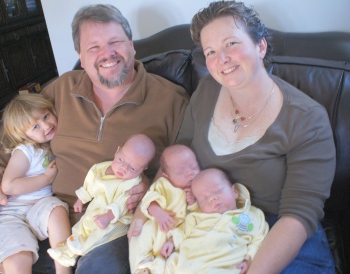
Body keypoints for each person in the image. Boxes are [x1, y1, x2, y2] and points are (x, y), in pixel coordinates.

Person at [0, 4, 189, 274]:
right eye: (94, 47)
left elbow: (187, 167)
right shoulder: (62, 88)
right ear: (80, 54)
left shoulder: (171, 100)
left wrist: (150, 187)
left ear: (131, 45)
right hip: (47, 216)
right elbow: (14, 137)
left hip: (112, 226)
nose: (107, 54)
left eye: (115, 42)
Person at [129, 1, 336, 273]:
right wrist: (143, 213)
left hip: (277, 235)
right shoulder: (206, 91)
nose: (221, 59)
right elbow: (177, 158)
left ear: (260, 46)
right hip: (205, 225)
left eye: (231, 44)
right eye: (211, 51)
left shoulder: (307, 119)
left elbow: (297, 217)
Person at [0, 94, 71, 274]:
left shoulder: (53, 144)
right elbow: (8, 186)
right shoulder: (26, 151)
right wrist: (45, 179)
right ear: (23, 135)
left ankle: (64, 269)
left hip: (40, 207)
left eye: (46, 116)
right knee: (18, 255)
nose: (46, 125)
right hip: (14, 213)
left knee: (58, 210)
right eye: (35, 126)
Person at [48, 134, 155, 267]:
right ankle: (67, 252)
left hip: (116, 222)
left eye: (133, 168)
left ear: (143, 169)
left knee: (99, 235)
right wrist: (81, 199)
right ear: (117, 151)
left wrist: (108, 217)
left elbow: (122, 204)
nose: (124, 168)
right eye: (121, 160)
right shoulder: (101, 168)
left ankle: (80, 250)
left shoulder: (133, 183)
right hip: (95, 210)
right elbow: (90, 183)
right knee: (81, 228)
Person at [161, 168, 269, 274]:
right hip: (188, 264)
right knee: (169, 262)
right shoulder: (196, 218)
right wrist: (172, 241)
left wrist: (249, 259)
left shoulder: (252, 216)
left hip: (222, 266)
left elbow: (259, 240)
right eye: (204, 199)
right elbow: (182, 231)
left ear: (235, 191)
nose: (211, 198)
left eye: (217, 191)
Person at [129, 144, 200, 274]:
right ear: (167, 176)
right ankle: (140, 268)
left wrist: (193, 203)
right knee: (141, 238)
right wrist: (158, 212)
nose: (190, 173)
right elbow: (149, 201)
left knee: (179, 256)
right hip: (157, 227)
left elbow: (196, 218)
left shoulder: (199, 188)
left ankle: (157, 268)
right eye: (180, 171)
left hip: (177, 234)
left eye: (194, 167)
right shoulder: (163, 185)